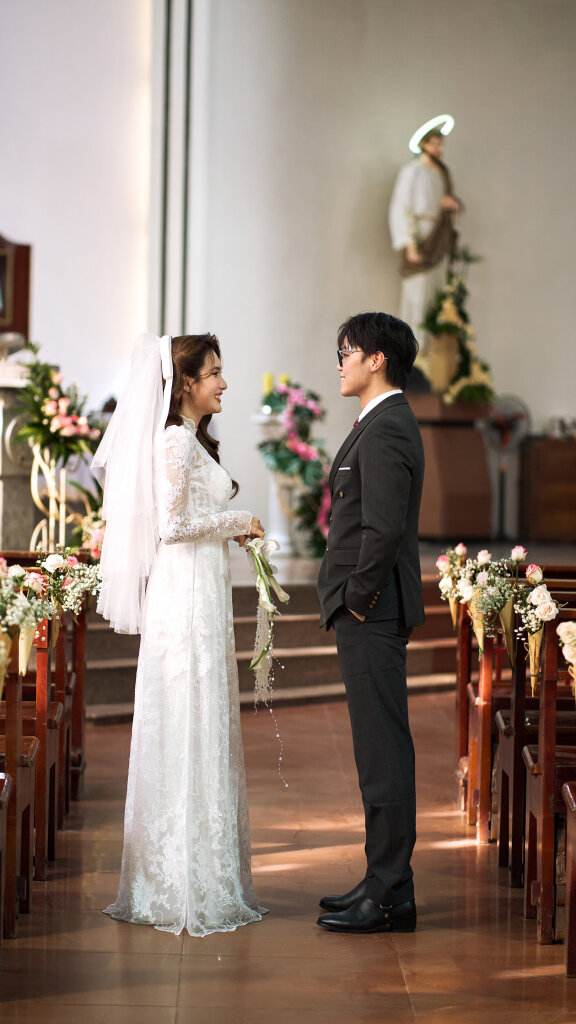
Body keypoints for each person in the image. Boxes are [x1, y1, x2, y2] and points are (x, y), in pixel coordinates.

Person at [92, 332, 267, 937]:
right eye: (214, 372)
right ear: (185, 383)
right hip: (185, 598)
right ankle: (178, 882)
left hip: (201, 593)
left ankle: (199, 871)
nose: (223, 382)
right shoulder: (172, 441)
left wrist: (228, 530)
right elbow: (173, 525)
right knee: (187, 718)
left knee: (202, 719)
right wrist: (238, 521)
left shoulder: (190, 441)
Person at [316, 312, 424, 934]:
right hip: (370, 607)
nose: (340, 362)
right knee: (375, 747)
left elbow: (381, 530)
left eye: (347, 351)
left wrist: (356, 599)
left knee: (382, 750)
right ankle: (387, 880)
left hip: (374, 610)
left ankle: (388, 894)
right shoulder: (378, 422)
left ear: (377, 358)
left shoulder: (386, 428)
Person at [388, 122, 461, 343]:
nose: (439, 149)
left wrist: (447, 205)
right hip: (421, 236)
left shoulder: (441, 174)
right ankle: (412, 349)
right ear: (424, 144)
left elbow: (437, 201)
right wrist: (409, 243)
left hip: (437, 236)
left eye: (441, 144)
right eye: (435, 144)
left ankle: (430, 350)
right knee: (416, 296)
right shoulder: (412, 171)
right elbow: (400, 207)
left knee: (436, 296)